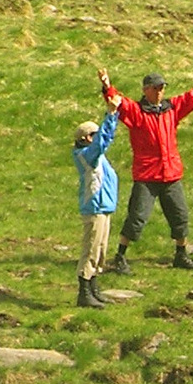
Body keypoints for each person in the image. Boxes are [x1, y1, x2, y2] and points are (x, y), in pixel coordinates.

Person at [99, 64, 193, 273]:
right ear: (146, 90)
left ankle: (181, 254)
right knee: (137, 217)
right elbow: (119, 103)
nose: (160, 91)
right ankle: (120, 256)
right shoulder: (136, 112)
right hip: (147, 176)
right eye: (156, 88)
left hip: (170, 174)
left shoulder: (171, 109)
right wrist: (107, 86)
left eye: (162, 88)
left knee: (180, 216)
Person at [72, 93, 122, 309]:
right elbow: (102, 142)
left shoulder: (95, 154)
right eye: (93, 134)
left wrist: (113, 116)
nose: (97, 136)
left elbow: (105, 139)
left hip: (104, 208)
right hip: (94, 208)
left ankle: (94, 287)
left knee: (100, 250)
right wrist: (110, 114)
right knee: (91, 250)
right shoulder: (86, 155)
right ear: (85, 138)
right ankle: (84, 292)